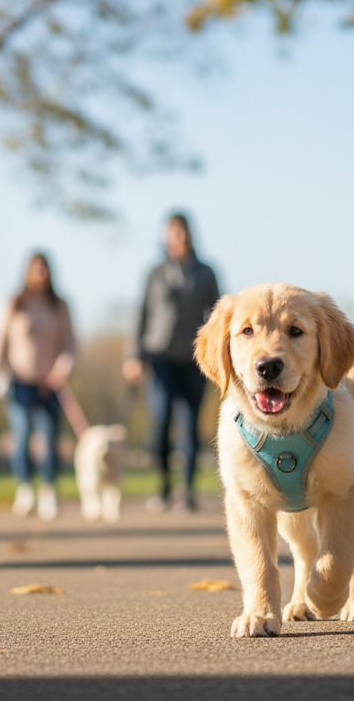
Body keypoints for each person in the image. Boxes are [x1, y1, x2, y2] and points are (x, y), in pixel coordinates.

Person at [123, 213, 221, 514]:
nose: (178, 237)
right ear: (165, 236)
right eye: (173, 232)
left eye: (182, 231)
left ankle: (187, 491)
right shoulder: (155, 273)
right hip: (160, 358)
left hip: (194, 359)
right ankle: (164, 486)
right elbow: (141, 314)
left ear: (190, 235)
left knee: (190, 425)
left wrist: (218, 353)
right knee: (161, 423)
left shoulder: (206, 273)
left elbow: (217, 315)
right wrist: (133, 356)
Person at [0, 253, 76, 521]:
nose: (40, 272)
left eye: (44, 267)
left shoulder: (60, 305)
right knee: (21, 436)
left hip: (50, 383)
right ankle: (25, 490)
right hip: (19, 381)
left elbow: (70, 343)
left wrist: (62, 369)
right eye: (35, 268)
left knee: (50, 439)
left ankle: (48, 491)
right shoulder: (13, 303)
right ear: (26, 272)